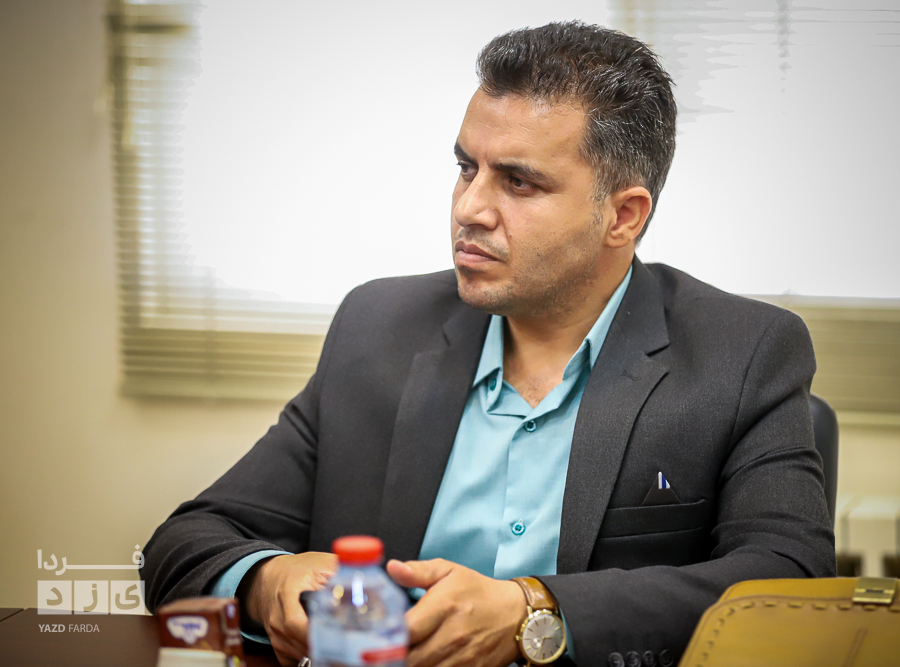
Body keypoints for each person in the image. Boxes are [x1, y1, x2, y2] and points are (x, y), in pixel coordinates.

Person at [142, 21, 835, 667]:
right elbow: (186, 541)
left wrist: (537, 610)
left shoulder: (742, 353)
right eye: (466, 168)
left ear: (622, 216)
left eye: (518, 181)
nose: (469, 208)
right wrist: (267, 579)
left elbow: (790, 580)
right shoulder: (377, 327)